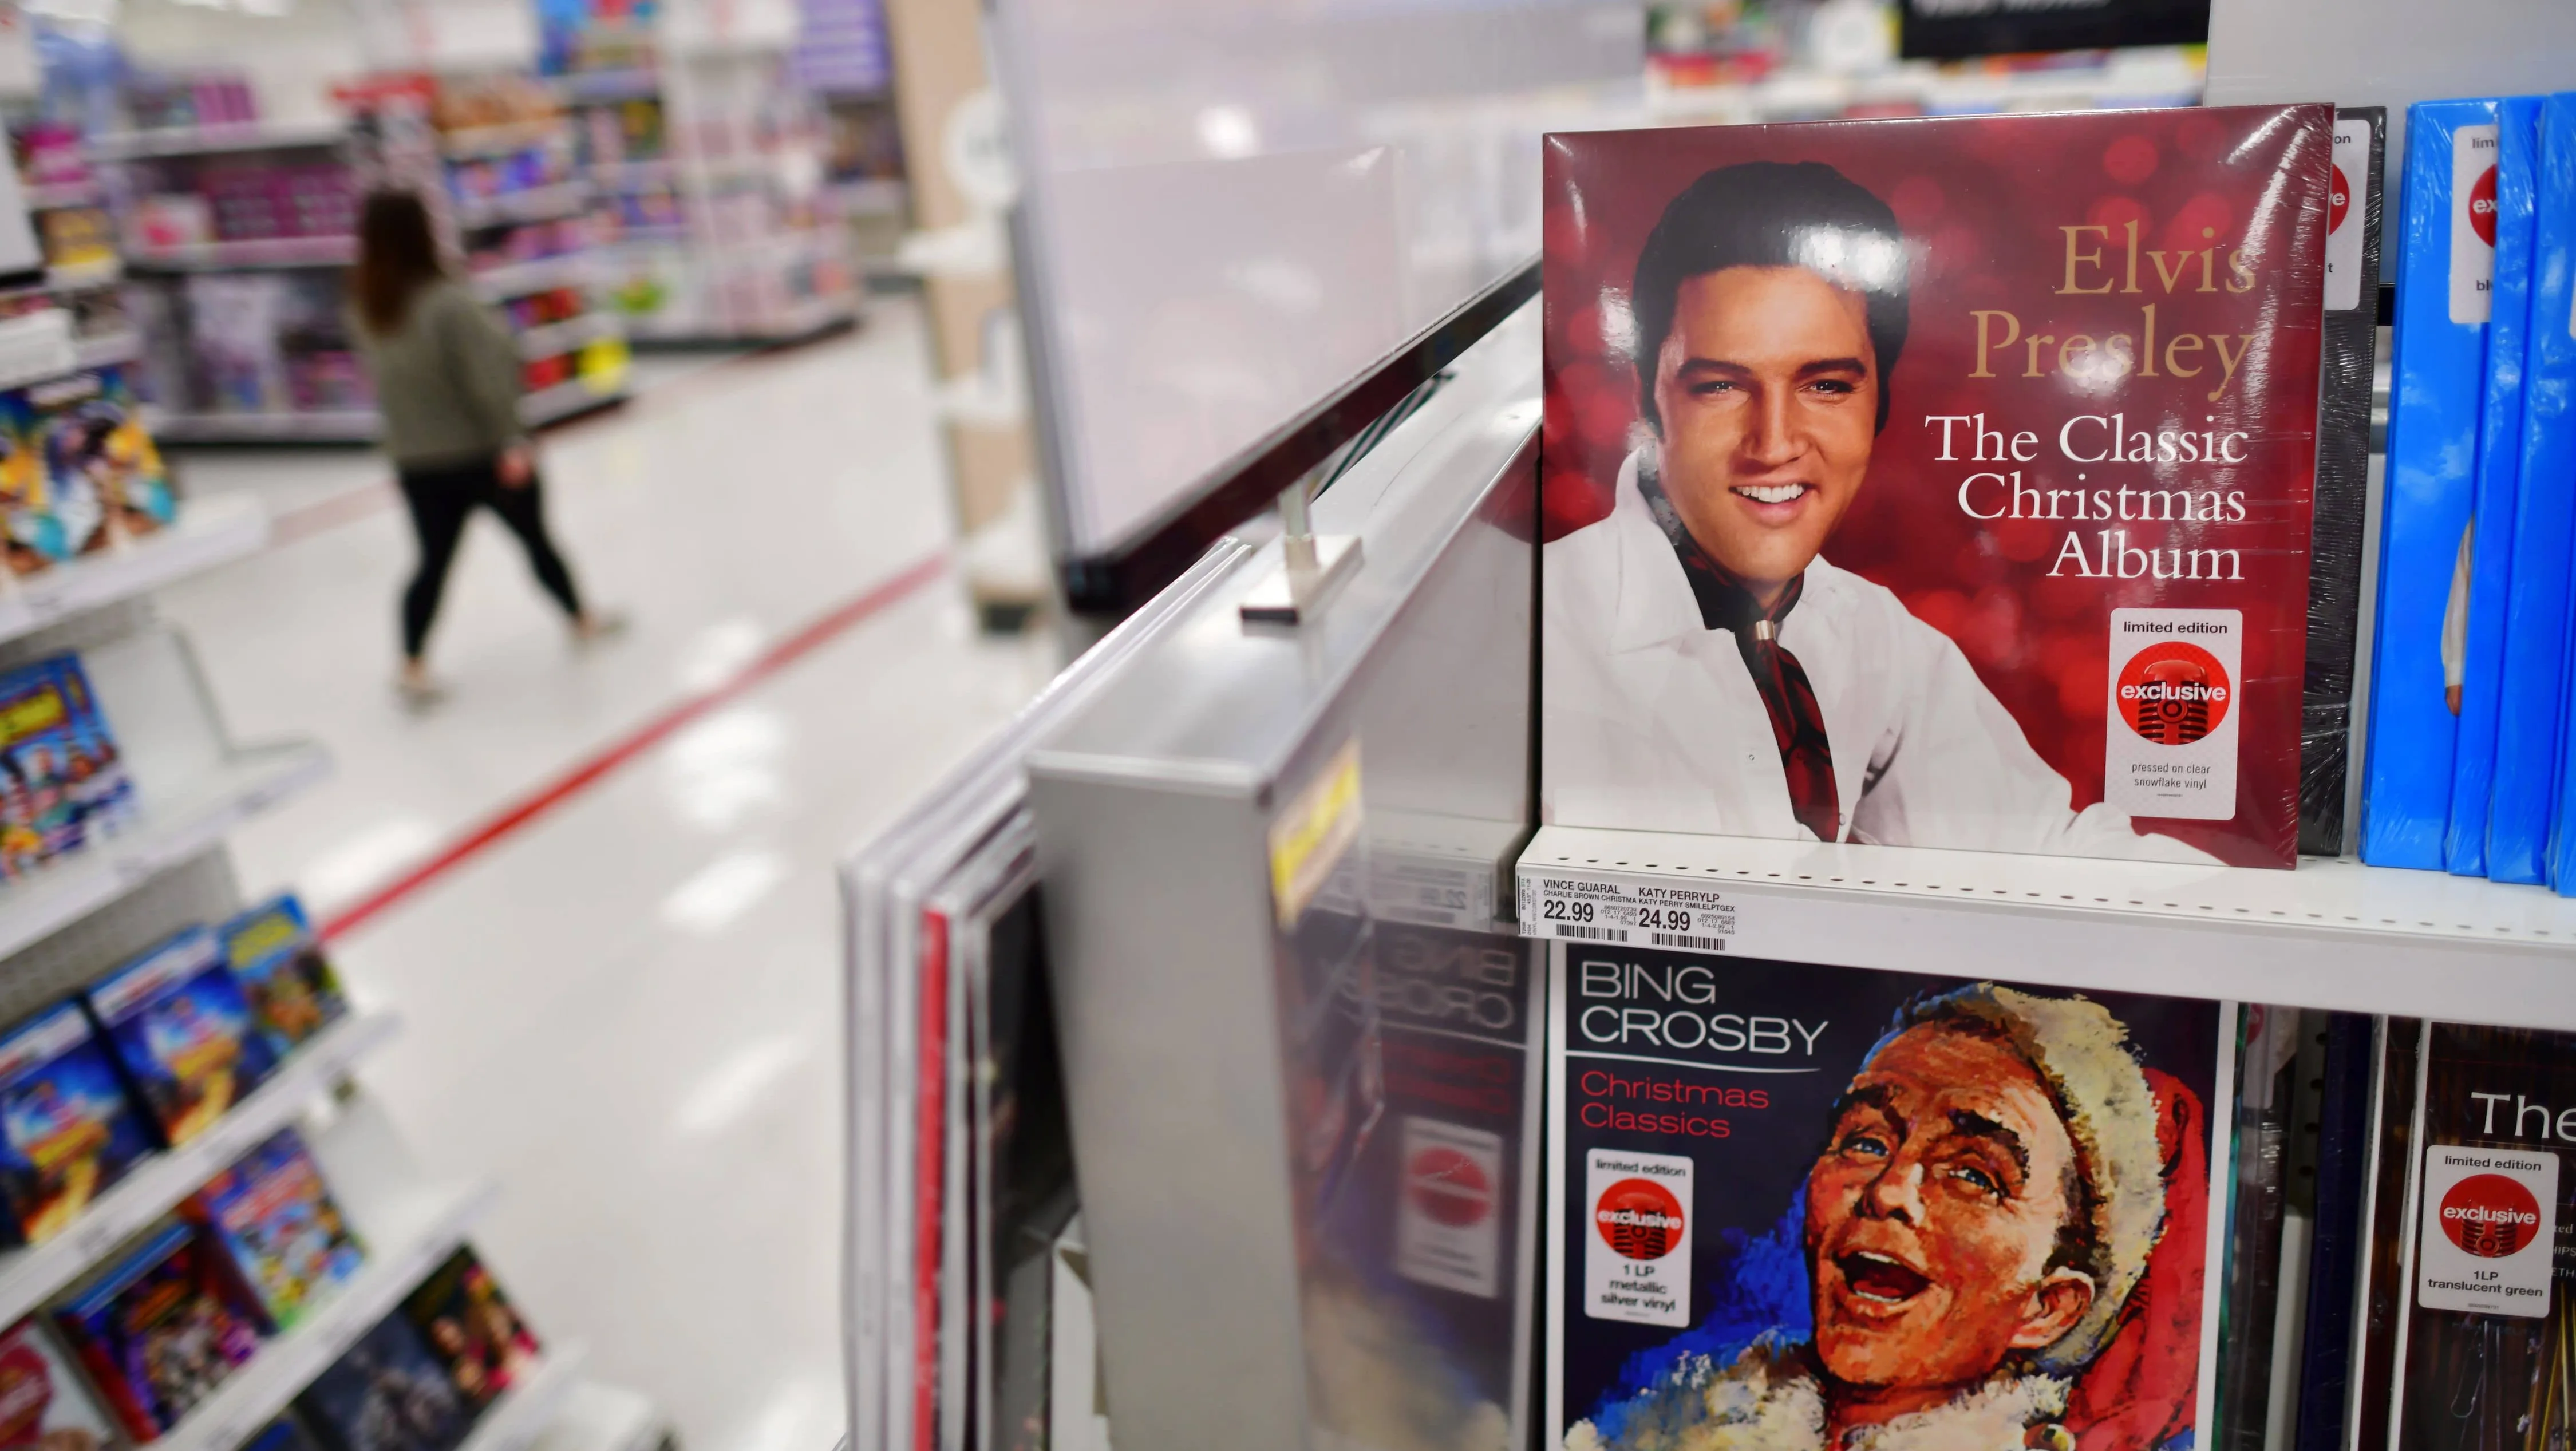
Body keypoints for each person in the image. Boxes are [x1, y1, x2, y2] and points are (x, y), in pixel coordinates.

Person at [1542, 162, 2208, 860]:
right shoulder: (1532, 635)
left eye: (1826, 385)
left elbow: (2041, 846)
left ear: (1878, 406)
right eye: (1720, 386)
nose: (1774, 445)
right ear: (1649, 399)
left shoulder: (1871, 634)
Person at [1568, 984, 2198, 1451]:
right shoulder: (1662, 1428)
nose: (1890, 1190)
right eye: (1866, 1141)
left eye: (1975, 1175)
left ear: (2048, 1307)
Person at [347, 191, 618, 706]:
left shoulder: (366, 306)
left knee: (431, 562)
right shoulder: (447, 302)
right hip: (480, 454)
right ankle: (582, 619)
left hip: (416, 461)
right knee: (537, 541)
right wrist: (512, 439)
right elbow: (489, 378)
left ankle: (411, 662)